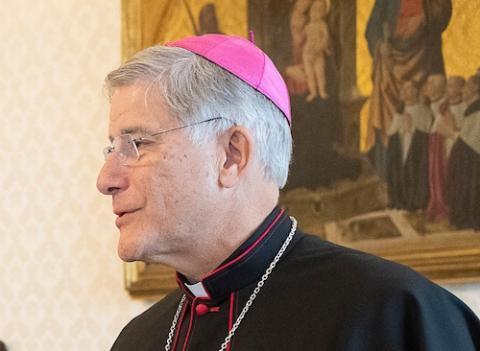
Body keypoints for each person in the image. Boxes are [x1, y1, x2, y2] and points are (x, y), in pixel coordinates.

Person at [97, 34, 480, 351]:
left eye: (138, 144)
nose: (106, 179)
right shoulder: (138, 340)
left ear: (232, 155)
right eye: (112, 148)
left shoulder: (393, 317)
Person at [386, 80, 432, 210]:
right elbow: (392, 131)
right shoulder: (399, 111)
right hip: (401, 146)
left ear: (416, 91)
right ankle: (400, 200)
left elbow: (427, 131)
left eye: (408, 88)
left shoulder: (424, 110)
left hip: (416, 149)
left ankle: (415, 201)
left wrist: (411, 129)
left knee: (415, 172)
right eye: (403, 89)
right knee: (400, 172)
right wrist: (402, 130)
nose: (405, 91)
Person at [447, 75, 480, 231]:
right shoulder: (471, 109)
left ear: (475, 88)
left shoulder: (477, 111)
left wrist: (450, 131)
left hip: (473, 163)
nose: (463, 89)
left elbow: (471, 142)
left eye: (466, 86)